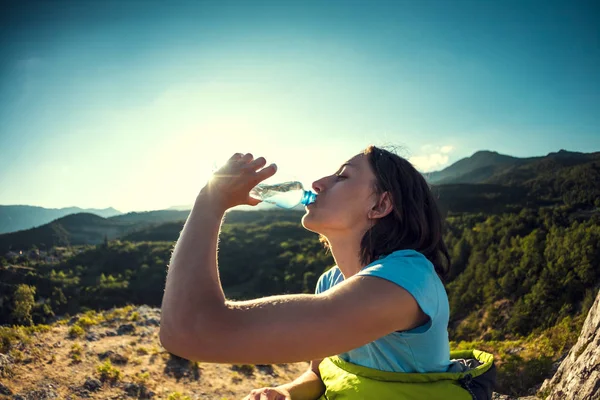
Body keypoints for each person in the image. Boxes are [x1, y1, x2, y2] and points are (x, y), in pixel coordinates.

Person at [159, 146, 494, 400]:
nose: (318, 183)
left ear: (379, 206)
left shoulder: (406, 280)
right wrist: (288, 392)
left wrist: (210, 200)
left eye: (343, 176)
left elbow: (189, 330)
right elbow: (319, 375)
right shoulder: (331, 282)